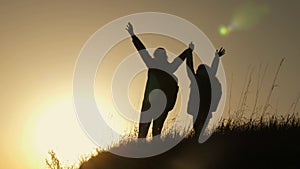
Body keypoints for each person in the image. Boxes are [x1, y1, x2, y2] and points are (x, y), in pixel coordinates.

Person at [126, 22, 194, 138]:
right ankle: (151, 151)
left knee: (145, 131)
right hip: (160, 104)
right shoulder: (168, 68)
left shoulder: (154, 64)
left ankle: (144, 151)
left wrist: (133, 35)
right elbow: (143, 50)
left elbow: (142, 51)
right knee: (155, 132)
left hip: (151, 102)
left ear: (156, 55)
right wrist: (188, 50)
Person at [186, 47, 225, 138]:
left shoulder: (206, 80)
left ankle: (198, 140)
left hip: (205, 107)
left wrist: (189, 54)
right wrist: (189, 54)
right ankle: (198, 140)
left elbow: (190, 68)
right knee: (198, 128)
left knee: (199, 128)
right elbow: (190, 67)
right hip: (201, 108)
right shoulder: (199, 79)